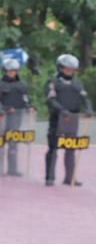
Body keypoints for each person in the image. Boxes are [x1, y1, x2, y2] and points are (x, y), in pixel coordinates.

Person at [45, 53, 93, 186]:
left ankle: (69, 177)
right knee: (53, 148)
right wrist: (61, 110)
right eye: (67, 69)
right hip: (57, 118)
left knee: (71, 147)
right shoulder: (52, 82)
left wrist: (88, 108)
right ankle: (50, 177)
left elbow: (84, 98)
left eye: (72, 69)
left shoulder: (77, 83)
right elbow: (51, 100)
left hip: (73, 118)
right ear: (60, 68)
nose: (70, 71)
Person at [0, 57, 31, 177]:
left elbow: (25, 99)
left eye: (14, 70)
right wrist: (5, 108)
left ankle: (13, 169)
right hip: (3, 117)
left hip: (17, 117)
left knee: (13, 143)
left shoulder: (22, 85)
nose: (12, 73)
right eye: (10, 70)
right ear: (5, 71)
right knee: (0, 143)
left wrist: (29, 107)